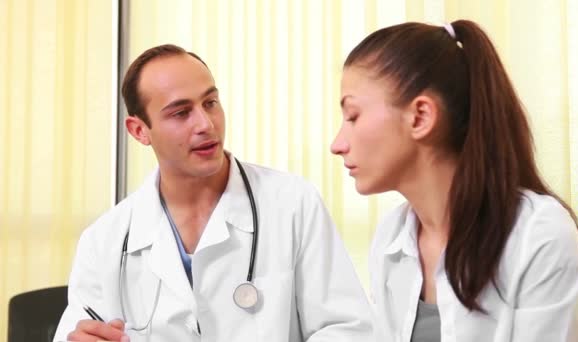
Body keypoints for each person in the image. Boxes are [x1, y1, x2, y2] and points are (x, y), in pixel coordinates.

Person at [53, 44, 373, 342]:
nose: (206, 124)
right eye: (181, 113)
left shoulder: (292, 204)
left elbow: (348, 330)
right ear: (139, 131)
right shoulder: (105, 241)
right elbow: (79, 330)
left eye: (210, 103)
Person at [330, 20, 578, 341]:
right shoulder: (391, 240)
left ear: (421, 117)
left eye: (353, 116)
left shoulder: (540, 236)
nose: (337, 144)